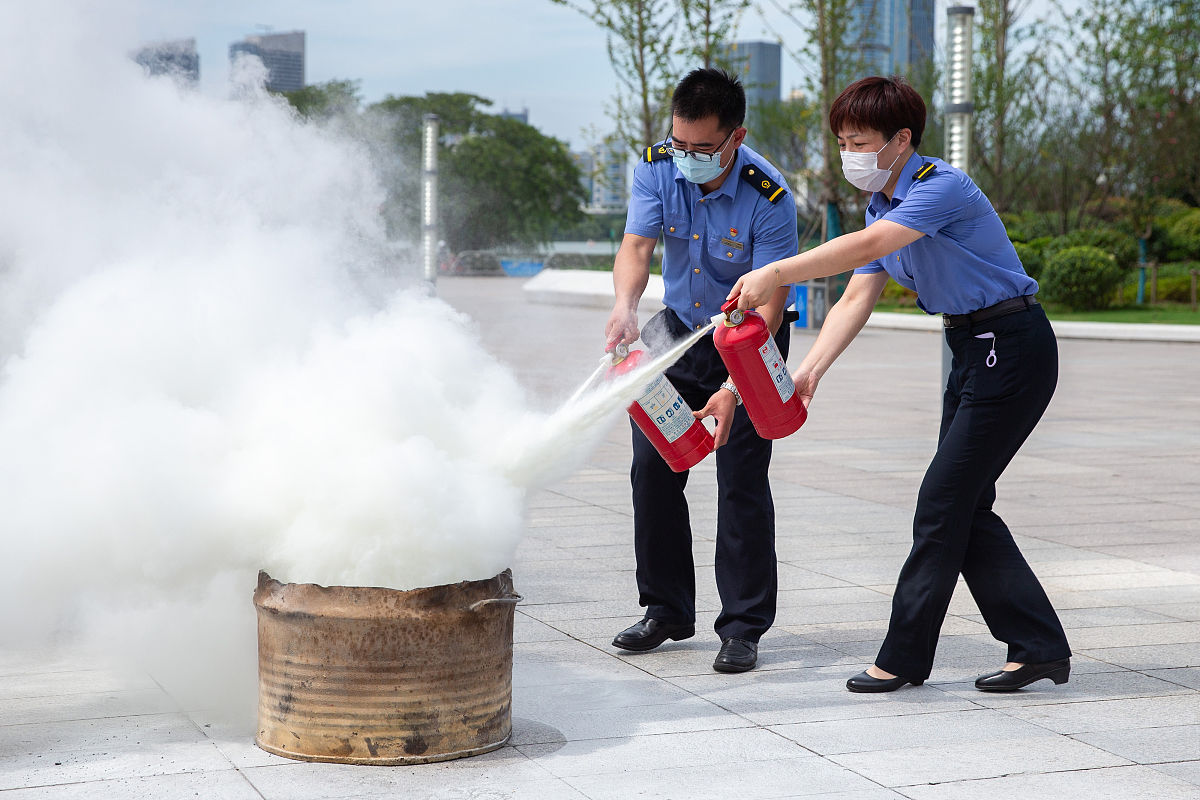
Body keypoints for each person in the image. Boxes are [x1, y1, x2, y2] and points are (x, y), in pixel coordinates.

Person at [727, 75, 1072, 693]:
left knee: (943, 502)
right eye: (841, 141)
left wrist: (774, 271)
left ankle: (904, 658)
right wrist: (808, 372)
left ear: (901, 139)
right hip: (971, 348)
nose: (848, 153)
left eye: (859, 140)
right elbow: (859, 291)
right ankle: (1039, 645)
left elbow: (873, 245)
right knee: (965, 505)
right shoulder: (881, 202)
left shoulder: (941, 188)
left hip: (1012, 347)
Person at [605, 68, 798, 673]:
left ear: (734, 138)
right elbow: (638, 246)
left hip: (748, 337)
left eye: (701, 149)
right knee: (653, 468)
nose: (685, 157)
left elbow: (768, 303)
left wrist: (731, 387)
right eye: (679, 143)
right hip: (678, 330)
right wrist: (624, 309)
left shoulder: (770, 196)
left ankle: (742, 627)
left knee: (740, 479)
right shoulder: (657, 165)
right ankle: (666, 611)